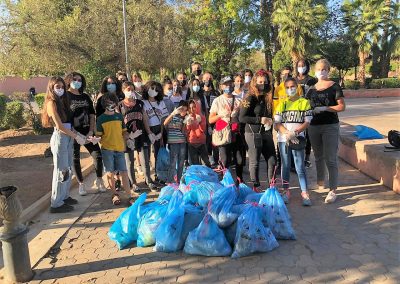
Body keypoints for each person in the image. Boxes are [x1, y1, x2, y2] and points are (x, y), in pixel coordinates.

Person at [41, 77, 86, 213]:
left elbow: (68, 124)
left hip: (68, 137)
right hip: (60, 138)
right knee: (61, 171)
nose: (60, 89)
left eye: (61, 87)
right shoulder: (51, 103)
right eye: (57, 87)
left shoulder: (62, 101)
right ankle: (56, 203)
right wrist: (76, 136)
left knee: (68, 169)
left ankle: (64, 196)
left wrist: (79, 135)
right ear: (51, 88)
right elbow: (60, 126)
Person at [306, 58, 346, 204]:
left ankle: (333, 189)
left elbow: (342, 106)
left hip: (330, 126)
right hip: (314, 126)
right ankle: (321, 181)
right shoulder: (311, 89)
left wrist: (326, 108)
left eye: (324, 69)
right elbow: (305, 107)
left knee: (331, 158)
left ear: (328, 70)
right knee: (317, 156)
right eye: (318, 69)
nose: (321, 72)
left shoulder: (334, 86)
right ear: (314, 71)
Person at [65, 72, 105, 196]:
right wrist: (76, 135)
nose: (77, 82)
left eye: (79, 80)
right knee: (75, 159)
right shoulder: (66, 97)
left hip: (88, 132)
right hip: (74, 134)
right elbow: (65, 119)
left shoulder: (85, 97)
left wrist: (91, 131)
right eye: (74, 79)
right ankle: (81, 185)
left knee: (97, 156)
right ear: (69, 81)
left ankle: (99, 180)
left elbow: (92, 115)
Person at [274, 77, 313, 206]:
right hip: (283, 140)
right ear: (284, 89)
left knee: (299, 166)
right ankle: (286, 191)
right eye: (288, 87)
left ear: (297, 87)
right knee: (285, 166)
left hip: (298, 139)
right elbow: (277, 123)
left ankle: (305, 192)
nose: (290, 89)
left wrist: (295, 133)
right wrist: (286, 133)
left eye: (292, 86)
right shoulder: (282, 104)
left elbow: (307, 122)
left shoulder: (304, 102)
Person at [95, 92, 136, 205]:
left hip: (120, 149)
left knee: (124, 172)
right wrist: (95, 139)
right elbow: (99, 135)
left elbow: (124, 132)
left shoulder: (119, 117)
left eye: (113, 102)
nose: (111, 105)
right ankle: (114, 194)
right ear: (104, 104)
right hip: (107, 149)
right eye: (108, 103)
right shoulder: (100, 119)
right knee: (110, 173)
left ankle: (129, 195)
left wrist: (129, 138)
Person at [239, 69, 276, 191]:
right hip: (252, 132)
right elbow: (242, 117)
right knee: (254, 162)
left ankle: (272, 186)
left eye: (265, 82)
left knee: (272, 160)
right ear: (255, 82)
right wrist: (260, 119)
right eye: (260, 82)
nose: (263, 84)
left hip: (266, 132)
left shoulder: (268, 96)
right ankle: (256, 186)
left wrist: (270, 120)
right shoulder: (250, 97)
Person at [118, 82, 156, 192]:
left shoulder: (139, 103)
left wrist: (149, 132)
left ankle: (148, 180)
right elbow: (119, 122)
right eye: (128, 89)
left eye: (132, 89)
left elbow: (145, 118)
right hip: (128, 136)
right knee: (129, 161)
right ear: (123, 90)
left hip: (141, 134)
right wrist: (126, 137)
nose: (130, 91)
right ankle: (133, 183)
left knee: (145, 159)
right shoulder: (120, 105)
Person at [209, 76, 244, 183]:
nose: (228, 86)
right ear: (221, 86)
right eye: (225, 84)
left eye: (230, 84)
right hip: (223, 133)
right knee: (225, 160)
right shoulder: (217, 100)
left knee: (239, 160)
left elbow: (244, 116)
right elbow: (210, 120)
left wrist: (237, 116)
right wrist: (220, 115)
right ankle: (224, 183)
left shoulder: (239, 100)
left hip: (236, 133)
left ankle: (239, 182)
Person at [142, 81, 170, 184]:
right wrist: (149, 133)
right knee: (146, 154)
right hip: (147, 130)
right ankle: (147, 178)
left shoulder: (161, 102)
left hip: (158, 129)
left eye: (156, 89)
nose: (153, 91)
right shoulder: (143, 102)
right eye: (151, 88)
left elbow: (163, 119)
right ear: (147, 89)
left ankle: (158, 176)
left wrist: (161, 133)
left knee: (158, 154)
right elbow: (144, 118)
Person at [296, 59, 318, 168]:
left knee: (308, 134)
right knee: (297, 132)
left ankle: (307, 157)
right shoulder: (293, 80)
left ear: (307, 67)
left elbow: (315, 95)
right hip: (295, 110)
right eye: (299, 65)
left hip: (308, 109)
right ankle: (297, 157)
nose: (301, 67)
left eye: (303, 65)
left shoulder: (312, 80)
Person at [164, 100, 188, 182]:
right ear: (179, 108)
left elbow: (183, 132)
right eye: (182, 109)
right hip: (173, 143)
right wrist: (172, 114)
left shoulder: (184, 118)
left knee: (181, 163)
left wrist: (185, 123)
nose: (184, 112)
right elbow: (165, 123)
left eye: (186, 110)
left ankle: (179, 181)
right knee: (173, 163)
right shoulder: (173, 116)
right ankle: (170, 181)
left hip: (182, 142)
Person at [186, 99, 211, 167]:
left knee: (206, 163)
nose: (192, 109)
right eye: (190, 107)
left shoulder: (201, 117)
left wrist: (200, 122)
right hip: (192, 142)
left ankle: (207, 177)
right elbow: (186, 132)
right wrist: (188, 124)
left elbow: (203, 130)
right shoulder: (187, 117)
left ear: (197, 107)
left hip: (201, 142)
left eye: (194, 107)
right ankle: (198, 177)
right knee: (195, 164)